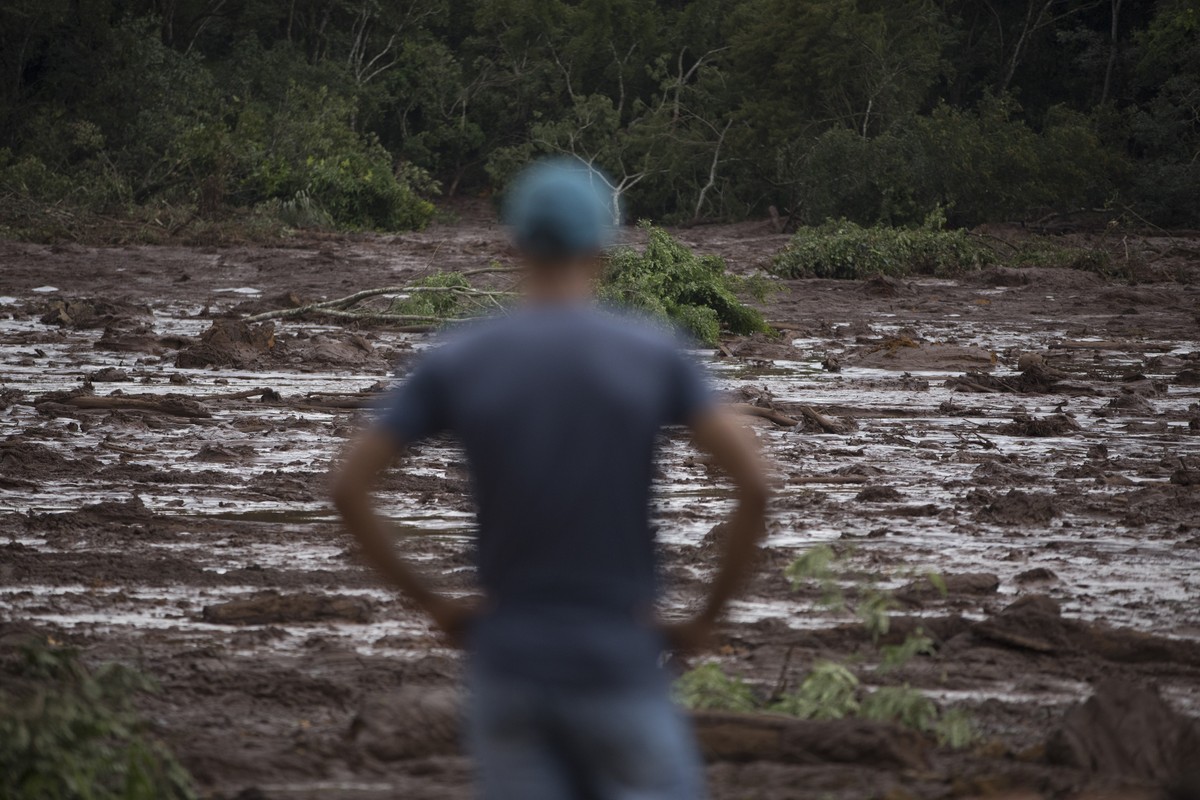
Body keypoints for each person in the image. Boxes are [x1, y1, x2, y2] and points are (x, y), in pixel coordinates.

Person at [331, 159, 770, 799]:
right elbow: (755, 484)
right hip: (617, 662)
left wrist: (434, 603)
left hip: (508, 669)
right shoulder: (654, 352)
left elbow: (349, 487)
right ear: (603, 249)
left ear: (514, 247)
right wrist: (705, 617)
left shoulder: (457, 357)